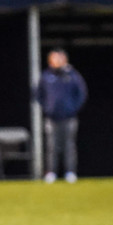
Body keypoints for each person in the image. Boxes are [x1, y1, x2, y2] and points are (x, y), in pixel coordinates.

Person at [37, 48, 88, 184]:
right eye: (55, 58)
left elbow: (81, 94)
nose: (58, 61)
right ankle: (51, 173)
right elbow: (38, 94)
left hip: (69, 118)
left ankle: (70, 172)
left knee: (69, 146)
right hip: (52, 118)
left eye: (60, 58)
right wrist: (48, 109)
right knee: (52, 147)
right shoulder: (46, 76)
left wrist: (73, 109)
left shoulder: (72, 76)